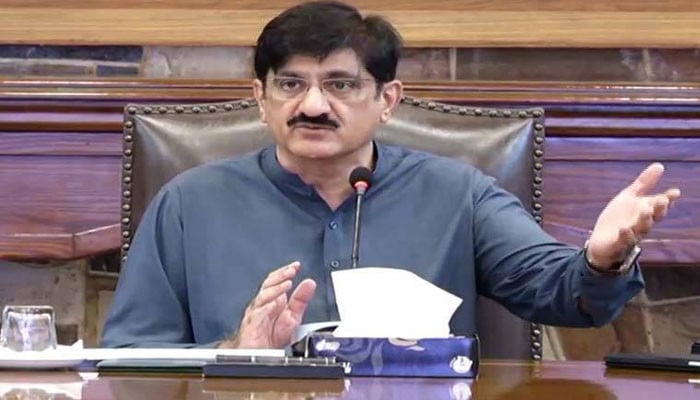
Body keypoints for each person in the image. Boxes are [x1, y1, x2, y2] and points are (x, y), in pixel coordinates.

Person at [101, 1, 681, 349]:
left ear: (388, 99)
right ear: (260, 97)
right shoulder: (189, 203)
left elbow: (565, 297)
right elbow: (130, 358)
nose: (312, 105)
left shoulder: (458, 194)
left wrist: (603, 259)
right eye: (290, 84)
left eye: (341, 84)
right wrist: (236, 353)